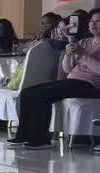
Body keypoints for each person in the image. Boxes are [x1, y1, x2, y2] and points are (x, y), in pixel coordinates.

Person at [10, 8, 100, 150]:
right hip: (72, 80)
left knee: (42, 95)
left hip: (91, 85)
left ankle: (41, 139)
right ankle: (24, 135)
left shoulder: (85, 47)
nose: (93, 24)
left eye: (97, 21)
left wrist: (84, 56)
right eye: (91, 21)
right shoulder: (84, 42)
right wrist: (68, 55)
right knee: (28, 92)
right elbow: (67, 69)